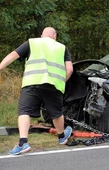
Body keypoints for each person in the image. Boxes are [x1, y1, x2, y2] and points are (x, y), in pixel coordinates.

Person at [0, 27, 74, 155]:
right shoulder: (62, 47)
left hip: (31, 82)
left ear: (42, 35)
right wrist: (61, 81)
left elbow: (13, 55)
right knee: (56, 113)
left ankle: (23, 143)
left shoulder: (32, 42)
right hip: (53, 85)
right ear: (54, 36)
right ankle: (62, 137)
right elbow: (70, 69)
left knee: (24, 111)